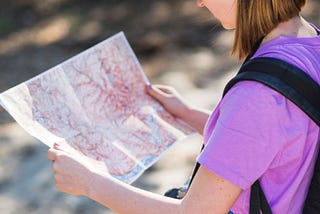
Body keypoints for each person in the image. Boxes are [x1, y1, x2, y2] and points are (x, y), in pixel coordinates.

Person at [47, 0, 320, 213]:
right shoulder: (309, 44)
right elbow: (274, 138)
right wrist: (187, 114)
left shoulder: (256, 95)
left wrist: (91, 183)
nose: (199, 3)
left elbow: (197, 211)